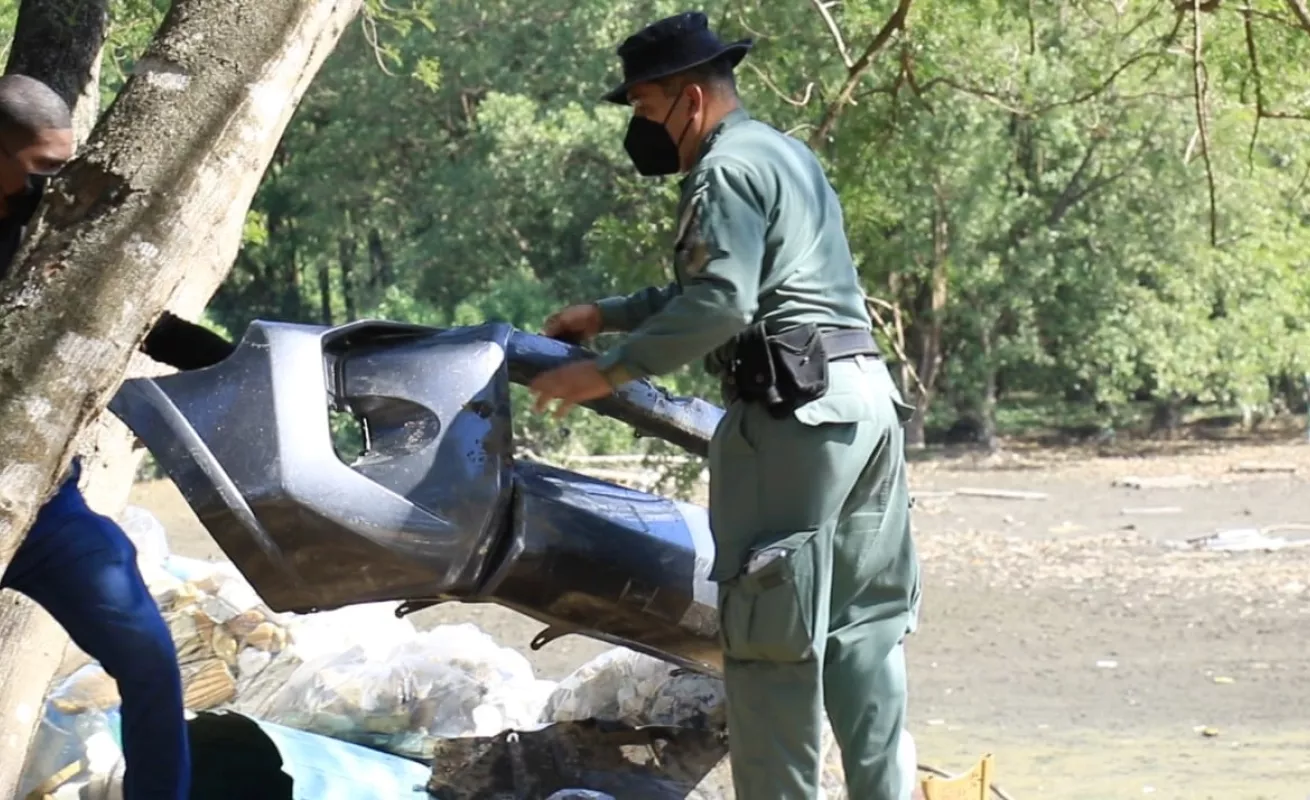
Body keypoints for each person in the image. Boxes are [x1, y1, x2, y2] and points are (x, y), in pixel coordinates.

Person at [528, 12, 922, 800]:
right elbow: (725, 284)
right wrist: (608, 312)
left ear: (691, 100)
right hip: (865, 407)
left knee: (771, 645)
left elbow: (721, 303)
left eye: (645, 110)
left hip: (793, 418)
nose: (644, 132)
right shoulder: (784, 155)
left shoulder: (723, 170)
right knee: (863, 632)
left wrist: (606, 371)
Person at [0, 74, 234, 800]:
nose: (55, 187)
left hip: (44, 501)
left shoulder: (51, 227)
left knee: (148, 656)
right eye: (42, 168)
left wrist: (236, 361)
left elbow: (138, 318)